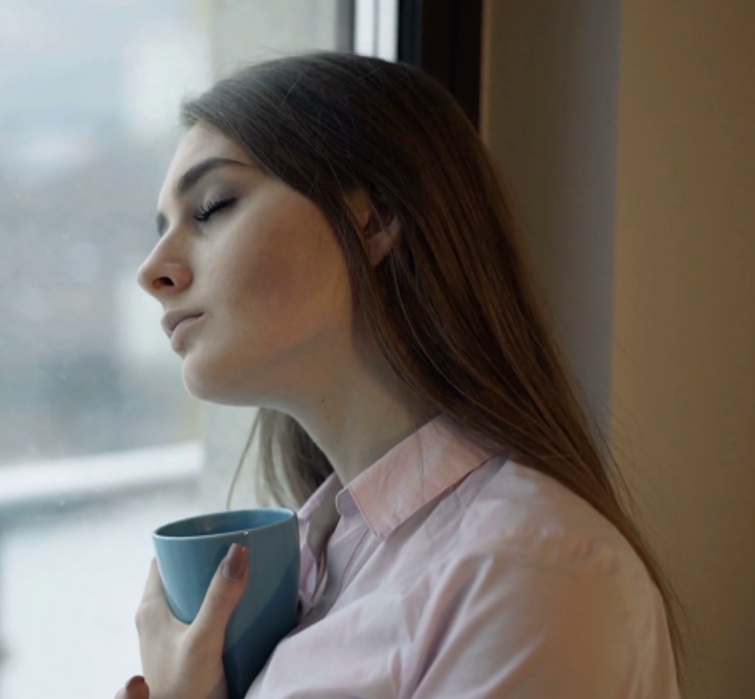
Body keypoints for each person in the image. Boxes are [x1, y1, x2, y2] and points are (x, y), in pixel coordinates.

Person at [115, 52, 681, 699]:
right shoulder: (314, 569)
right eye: (162, 228)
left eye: (212, 207)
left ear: (373, 219)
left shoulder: (527, 569)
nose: (151, 271)